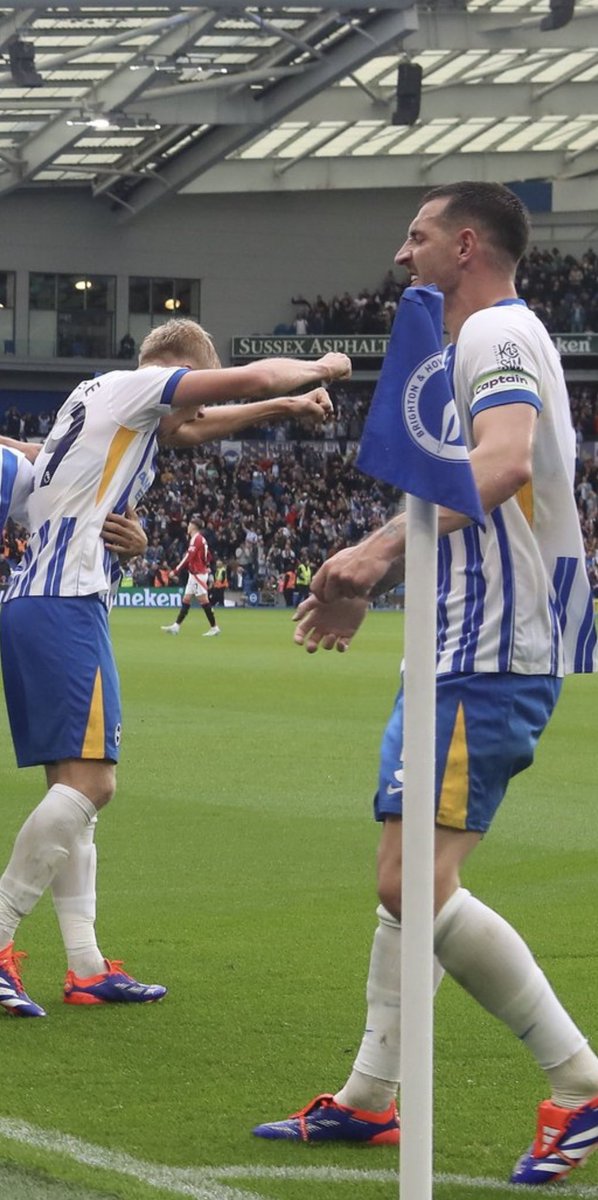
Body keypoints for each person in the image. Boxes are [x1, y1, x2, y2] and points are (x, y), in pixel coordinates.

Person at [252, 183, 598, 1187]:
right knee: (408, 885)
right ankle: (369, 1097)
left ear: (465, 243)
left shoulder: (492, 332)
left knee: (412, 880)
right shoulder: (492, 335)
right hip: (468, 640)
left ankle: (577, 1082)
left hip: (490, 645)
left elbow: (494, 466)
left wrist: (370, 555)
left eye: (414, 237)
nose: (399, 258)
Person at [0, 317, 351, 1017]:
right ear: (176, 368)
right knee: (94, 785)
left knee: (76, 792)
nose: (191, 413)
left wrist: (282, 410)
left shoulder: (102, 404)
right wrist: (321, 366)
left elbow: (190, 427)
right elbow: (246, 378)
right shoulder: (140, 385)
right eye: (190, 391)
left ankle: (86, 966)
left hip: (42, 600)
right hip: (64, 602)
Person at [161, 516, 220, 638]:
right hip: (195, 574)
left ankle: (214, 627)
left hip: (198, 574)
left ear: (193, 526)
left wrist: (176, 570)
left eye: (189, 524)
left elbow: (188, 557)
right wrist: (206, 566)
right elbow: (208, 556)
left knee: (204, 602)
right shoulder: (200, 539)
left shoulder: (196, 539)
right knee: (186, 599)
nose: (187, 527)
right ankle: (176, 626)